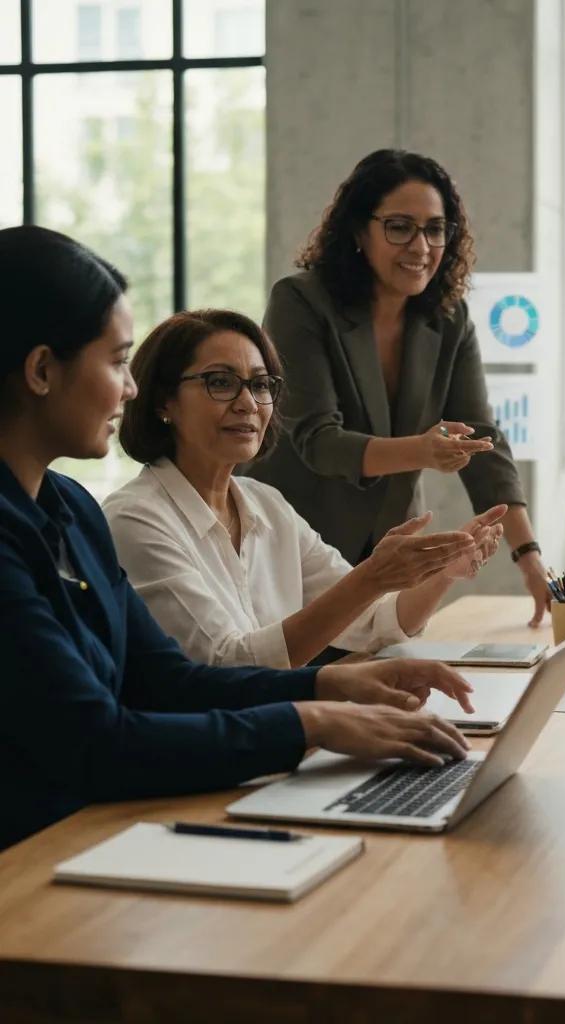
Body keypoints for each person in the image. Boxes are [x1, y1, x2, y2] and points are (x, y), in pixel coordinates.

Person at [0, 225, 475, 851]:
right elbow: (97, 742)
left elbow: (166, 681)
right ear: (40, 370)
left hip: (96, 832)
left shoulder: (71, 509)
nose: (131, 387)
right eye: (118, 362)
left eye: (259, 385)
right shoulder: (102, 519)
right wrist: (309, 721)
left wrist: (325, 688)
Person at [243, 149, 550, 626]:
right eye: (400, 227)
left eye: (435, 228)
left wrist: (529, 558)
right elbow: (319, 441)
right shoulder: (299, 302)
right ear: (359, 232)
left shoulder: (449, 318)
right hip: (294, 547)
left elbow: (483, 439)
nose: (421, 246)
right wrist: (424, 451)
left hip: (391, 546)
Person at [105, 308, 506, 668]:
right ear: (163, 402)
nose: (248, 403)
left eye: (261, 385)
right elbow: (228, 667)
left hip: (279, 733)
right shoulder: (135, 519)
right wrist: (371, 577)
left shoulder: (266, 504)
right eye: (221, 382)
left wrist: (445, 571)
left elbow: (372, 623)